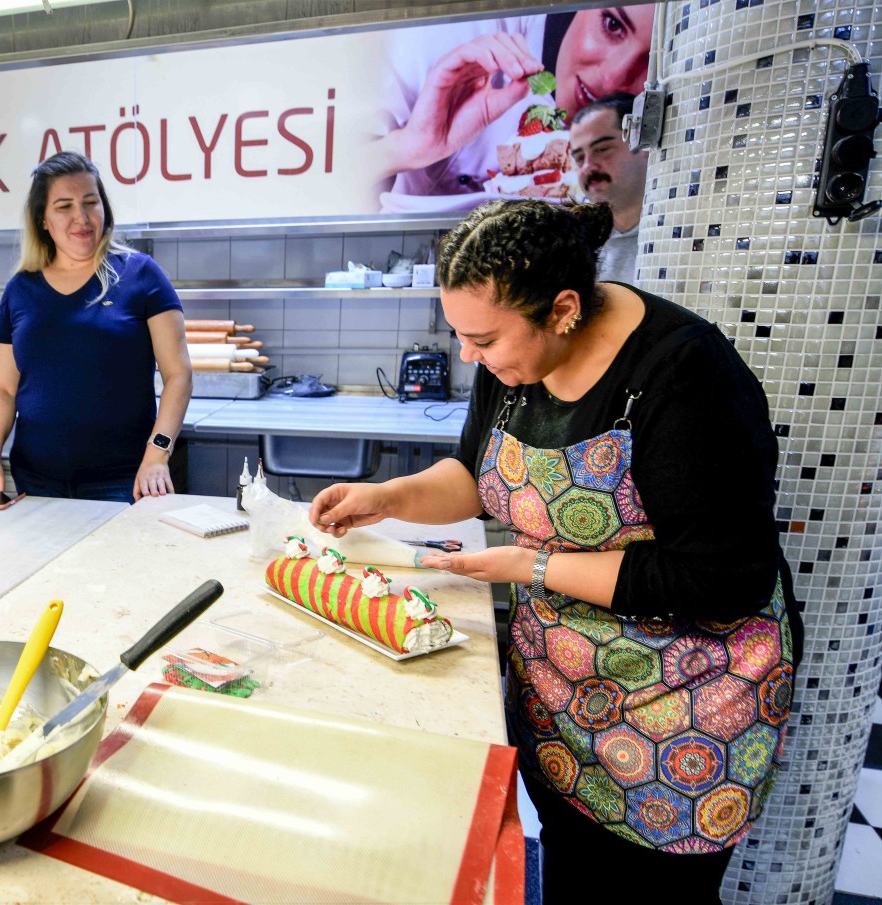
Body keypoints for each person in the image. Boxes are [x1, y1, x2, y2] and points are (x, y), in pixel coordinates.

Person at [309, 201, 801, 904]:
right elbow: (476, 477)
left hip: (686, 710)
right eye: (459, 335)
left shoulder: (683, 373)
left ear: (563, 309)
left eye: (480, 338)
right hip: (567, 697)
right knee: (573, 875)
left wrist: (532, 566)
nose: (467, 356)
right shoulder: (514, 360)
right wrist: (387, 496)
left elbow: (725, 577)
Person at [0, 151, 192, 503]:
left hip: (124, 480)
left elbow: (178, 374)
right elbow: (4, 387)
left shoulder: (141, 274)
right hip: (35, 480)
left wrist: (157, 454)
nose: (81, 218)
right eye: (64, 206)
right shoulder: (21, 289)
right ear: (43, 219)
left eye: (90, 202)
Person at [377, 8, 653, 207]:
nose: (614, 78)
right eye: (613, 25)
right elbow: (341, 173)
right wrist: (411, 146)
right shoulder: (453, 30)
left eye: (649, 60)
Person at [570, 92, 649, 283]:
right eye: (580, 158)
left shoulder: (685, 226)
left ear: (645, 145)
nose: (588, 167)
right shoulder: (572, 243)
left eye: (602, 149)